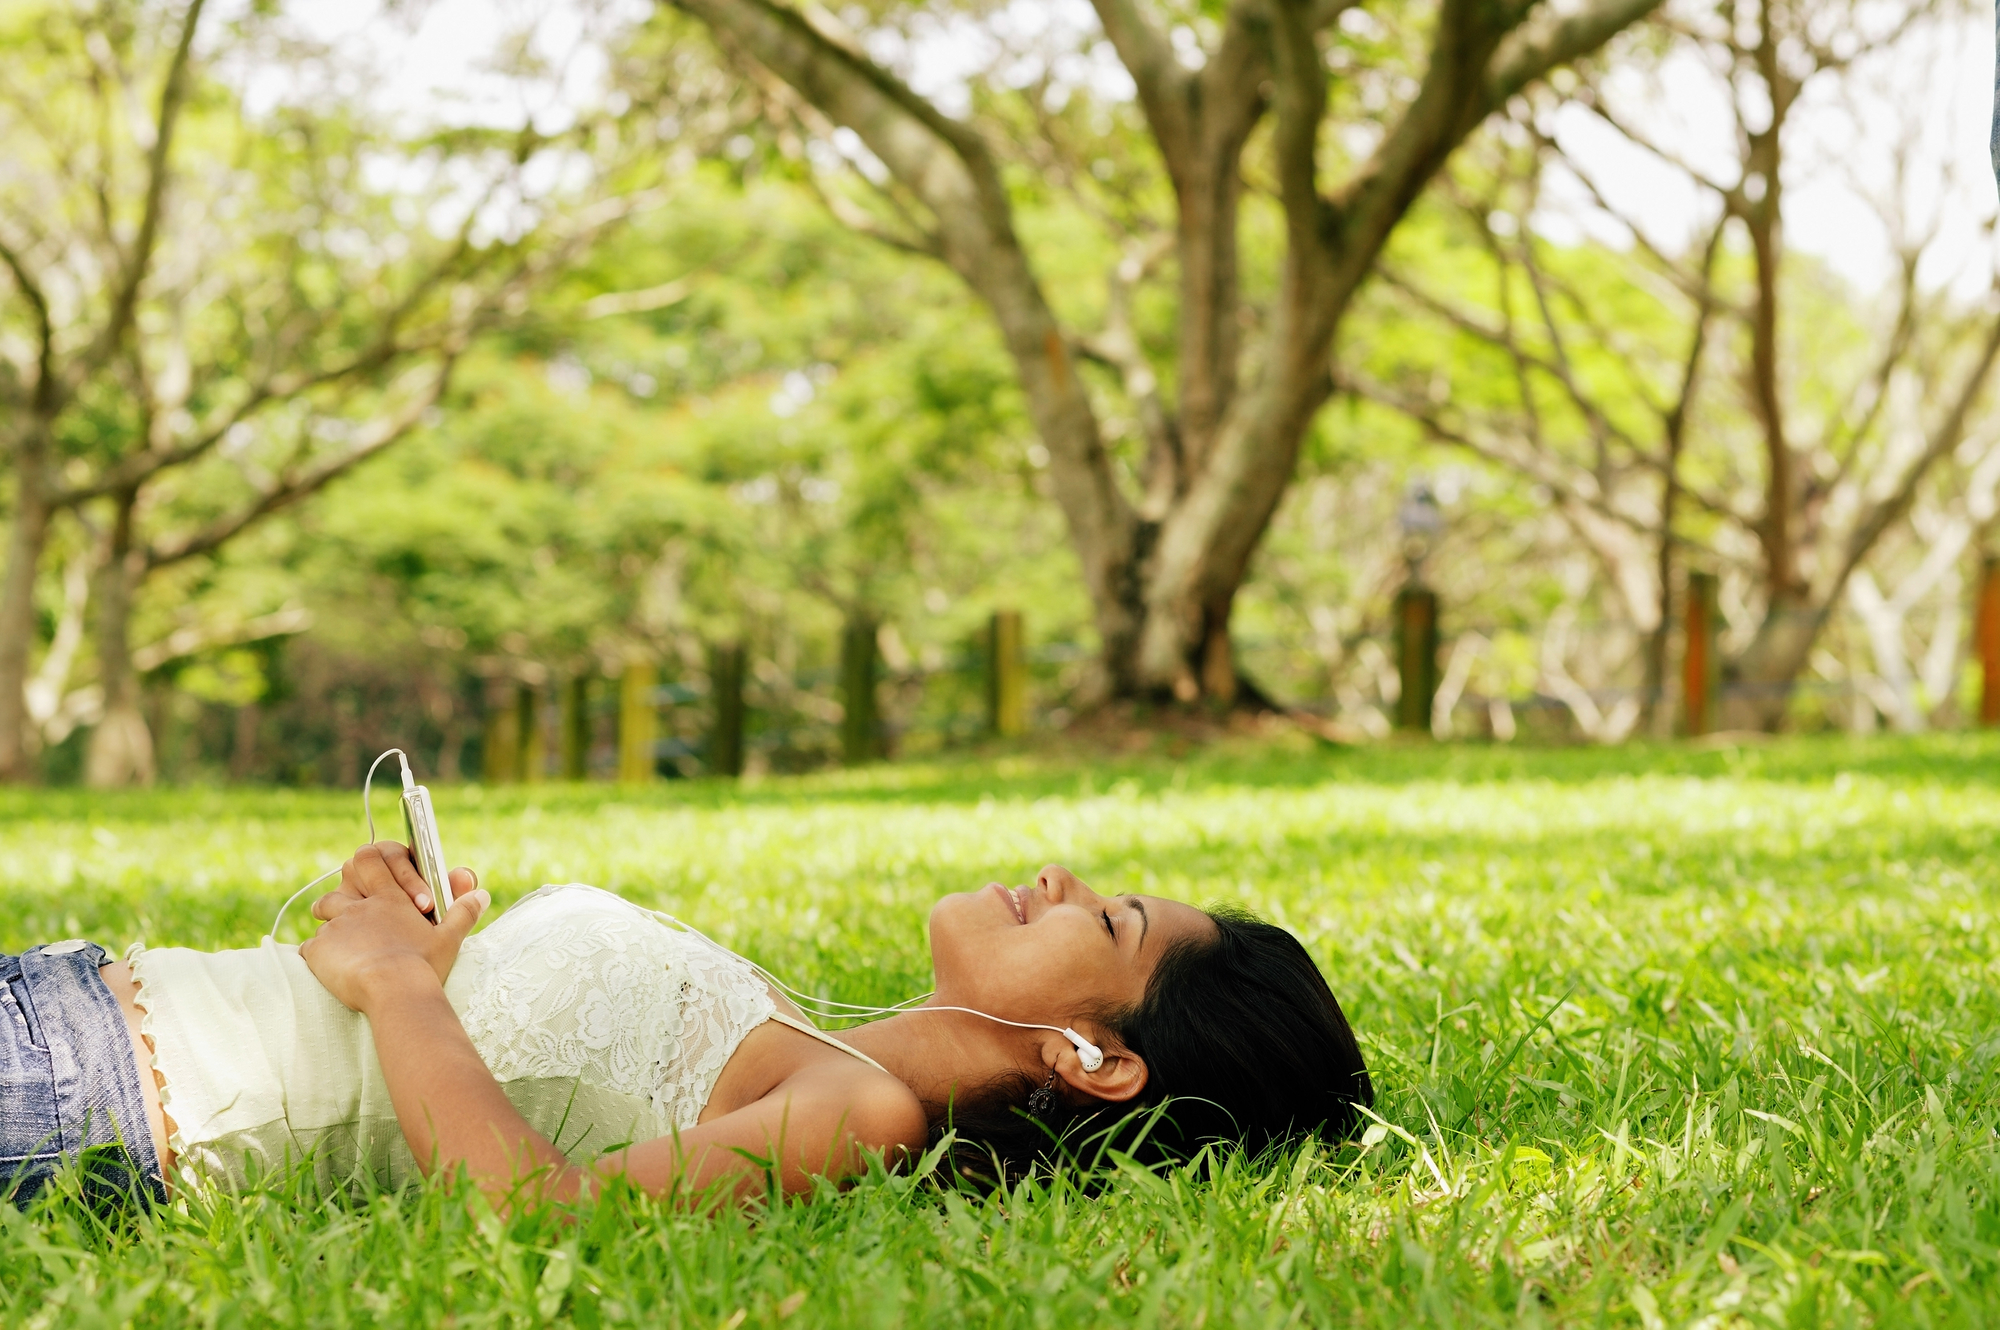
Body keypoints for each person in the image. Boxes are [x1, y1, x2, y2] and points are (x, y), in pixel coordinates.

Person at [1, 845, 1372, 1209]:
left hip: (106, 1100)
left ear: (1097, 1058)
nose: (1065, 878)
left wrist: (400, 988)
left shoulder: (866, 1114)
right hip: (77, 1002)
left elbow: (535, 1212)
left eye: (1115, 923)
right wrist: (412, 940)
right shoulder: (792, 1015)